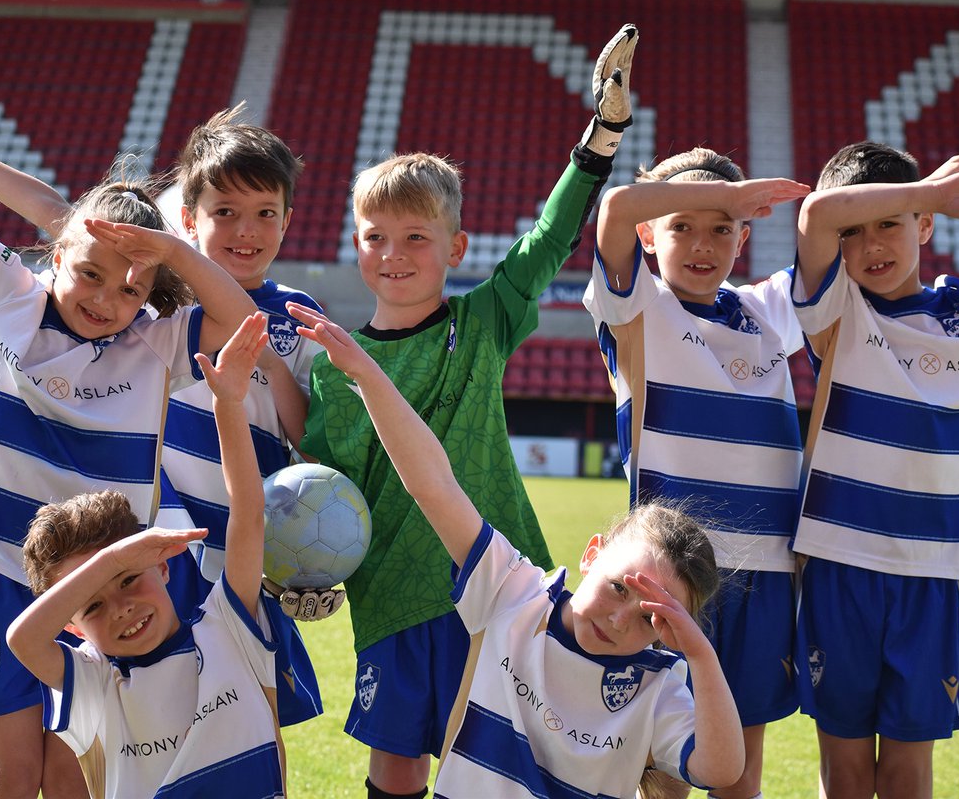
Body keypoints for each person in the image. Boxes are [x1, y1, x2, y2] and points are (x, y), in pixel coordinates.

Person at [0, 94, 257, 799]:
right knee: (10, 773)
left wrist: (170, 253)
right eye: (91, 274)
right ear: (57, 250)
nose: (106, 300)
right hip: (4, 572)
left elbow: (242, 318)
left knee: (78, 772)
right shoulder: (2, 290)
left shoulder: (154, 343)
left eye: (132, 289)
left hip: (103, 596)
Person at [296, 24, 639, 797]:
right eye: (376, 236)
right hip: (389, 594)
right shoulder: (333, 367)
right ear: (355, 244)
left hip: (499, 584)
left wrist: (603, 135)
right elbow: (324, 488)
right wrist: (299, 566)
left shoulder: (480, 323)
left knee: (495, 752)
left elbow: (551, 237)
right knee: (394, 762)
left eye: (417, 236)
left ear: (454, 249)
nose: (394, 252)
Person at [289, 302, 745, 798]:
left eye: (649, 620)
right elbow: (434, 485)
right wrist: (368, 375)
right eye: (619, 588)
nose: (619, 621)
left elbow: (720, 772)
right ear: (593, 553)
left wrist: (700, 655)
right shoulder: (514, 592)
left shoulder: (659, 686)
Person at [792, 142, 959, 798]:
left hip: (931, 576)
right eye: (857, 231)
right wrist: (922, 190)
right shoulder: (836, 310)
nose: (872, 244)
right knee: (844, 775)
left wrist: (918, 196)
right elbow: (815, 216)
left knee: (906, 775)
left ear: (926, 228)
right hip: (840, 567)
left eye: (891, 223)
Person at [583, 147, 810, 799]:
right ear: (652, 234)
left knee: (739, 768)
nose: (702, 244)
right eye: (683, 225)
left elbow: (826, 252)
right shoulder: (637, 307)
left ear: (744, 236)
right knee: (662, 769)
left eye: (721, 228)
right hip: (670, 577)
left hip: (764, 571)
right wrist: (723, 199)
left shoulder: (768, 309)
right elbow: (616, 211)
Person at [9, 312, 285, 798]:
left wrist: (228, 405)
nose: (121, 608)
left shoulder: (227, 626)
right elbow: (22, 640)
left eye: (128, 581)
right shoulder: (94, 683)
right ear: (73, 627)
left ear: (161, 564)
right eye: (92, 605)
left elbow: (248, 514)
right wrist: (114, 561)